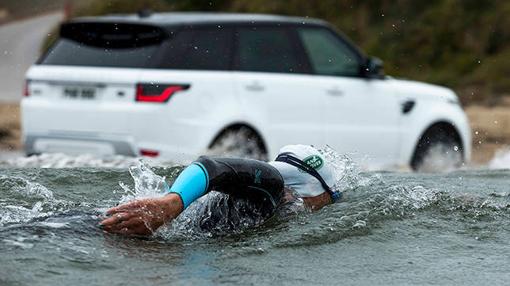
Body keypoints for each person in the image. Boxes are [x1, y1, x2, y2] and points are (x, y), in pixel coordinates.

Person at [100, 145, 341, 235]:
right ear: (318, 190)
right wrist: (168, 205)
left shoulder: (267, 196)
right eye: (332, 195)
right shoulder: (274, 185)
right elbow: (210, 166)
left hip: (128, 228)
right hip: (131, 232)